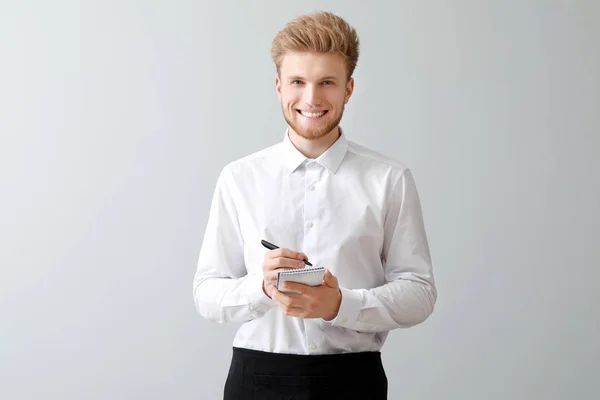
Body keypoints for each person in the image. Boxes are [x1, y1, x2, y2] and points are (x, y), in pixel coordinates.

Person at [193, 11, 437, 400]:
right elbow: (206, 292)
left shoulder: (389, 179)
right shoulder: (239, 178)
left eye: (326, 82)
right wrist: (262, 286)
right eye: (297, 82)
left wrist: (342, 304)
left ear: (349, 89)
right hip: (257, 378)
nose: (311, 98)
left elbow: (419, 293)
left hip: (353, 380)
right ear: (278, 86)